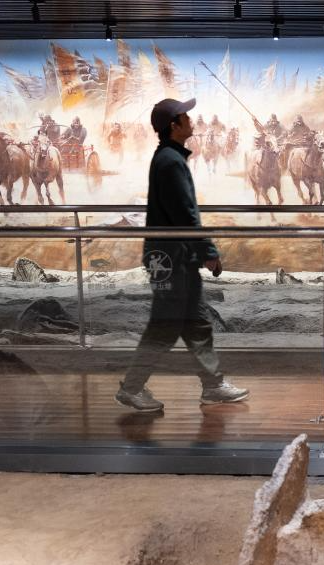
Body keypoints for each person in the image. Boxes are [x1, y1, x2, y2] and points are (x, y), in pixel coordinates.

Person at [115, 97, 248, 412]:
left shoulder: (170, 157)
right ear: (174, 125)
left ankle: (213, 385)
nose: (191, 120)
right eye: (185, 116)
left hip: (177, 256)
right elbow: (185, 214)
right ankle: (132, 388)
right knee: (165, 326)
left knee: (197, 322)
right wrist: (208, 251)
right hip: (171, 258)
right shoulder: (171, 162)